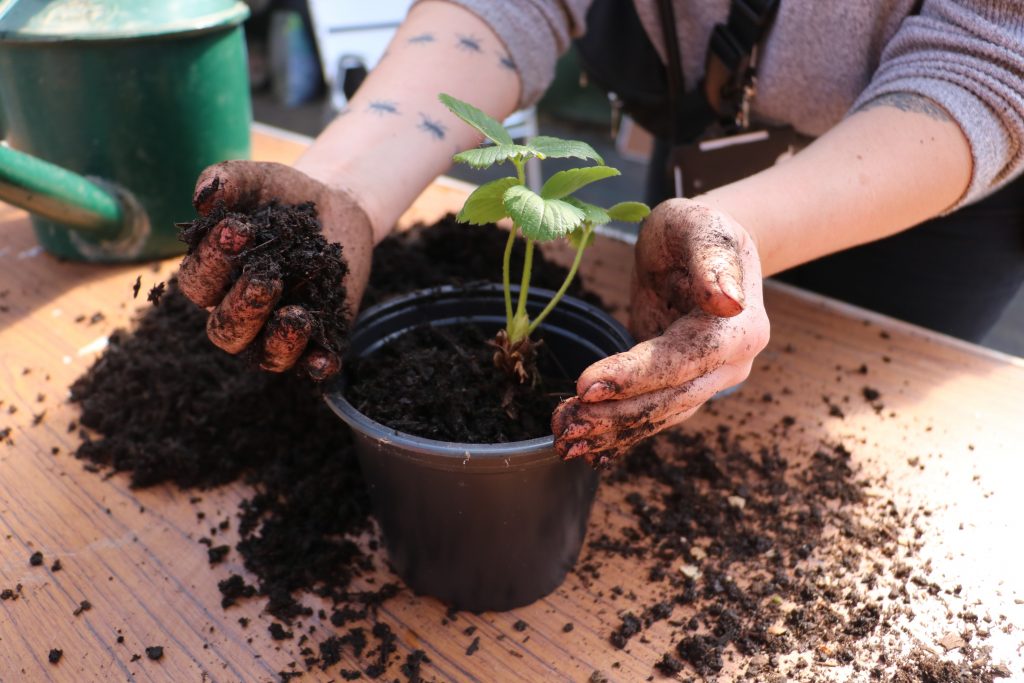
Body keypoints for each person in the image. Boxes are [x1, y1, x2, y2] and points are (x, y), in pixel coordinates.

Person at [177, 1, 1024, 465]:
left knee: (882, 438)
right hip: (702, 169)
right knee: (660, 339)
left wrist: (746, 234)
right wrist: (351, 188)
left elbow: (990, 52)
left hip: (926, 181)